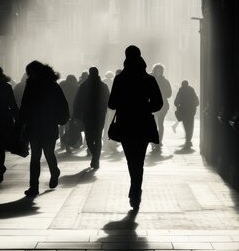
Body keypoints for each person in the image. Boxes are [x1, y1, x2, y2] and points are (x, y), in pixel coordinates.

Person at [108, 45, 163, 210]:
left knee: (131, 159)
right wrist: (146, 108)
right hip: (144, 123)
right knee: (139, 159)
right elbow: (158, 103)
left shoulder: (120, 79)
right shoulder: (149, 79)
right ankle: (136, 189)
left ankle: (135, 188)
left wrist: (124, 104)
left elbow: (111, 103)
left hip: (125, 123)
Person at [18, 61, 69, 197]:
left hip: (41, 125)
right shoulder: (52, 86)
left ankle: (48, 176)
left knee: (45, 153)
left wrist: (21, 123)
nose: (31, 76)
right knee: (39, 155)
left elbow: (25, 106)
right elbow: (62, 105)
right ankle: (34, 186)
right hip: (43, 126)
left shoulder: (40, 86)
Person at [73, 67, 110, 169]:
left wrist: (76, 114)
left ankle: (95, 156)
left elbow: (78, 101)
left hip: (87, 116)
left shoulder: (84, 86)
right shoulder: (103, 85)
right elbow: (108, 100)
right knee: (98, 138)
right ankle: (96, 159)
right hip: (100, 116)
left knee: (89, 138)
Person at [150, 63, 172, 152]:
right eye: (157, 70)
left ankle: (159, 141)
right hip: (153, 105)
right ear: (154, 71)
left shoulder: (164, 81)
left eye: (160, 70)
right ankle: (154, 141)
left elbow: (169, 94)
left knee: (160, 123)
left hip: (162, 105)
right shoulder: (152, 79)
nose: (158, 72)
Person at [174, 80, 199, 149]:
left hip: (183, 111)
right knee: (191, 125)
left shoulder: (180, 91)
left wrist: (178, 105)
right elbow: (197, 102)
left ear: (182, 85)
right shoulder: (192, 91)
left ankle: (187, 139)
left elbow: (176, 102)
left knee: (186, 125)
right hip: (191, 111)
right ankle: (189, 139)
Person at [59, 74, 80, 152]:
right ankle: (68, 146)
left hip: (62, 109)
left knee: (62, 127)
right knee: (69, 128)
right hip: (71, 110)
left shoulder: (62, 86)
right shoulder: (76, 87)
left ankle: (62, 144)